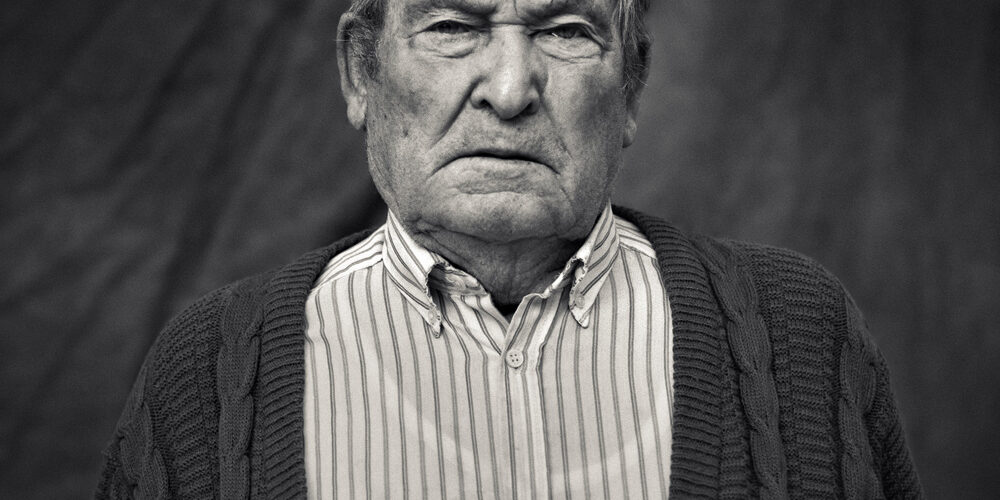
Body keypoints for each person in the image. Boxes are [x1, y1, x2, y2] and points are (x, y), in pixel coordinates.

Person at [97, 0, 923, 497]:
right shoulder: (211, 374)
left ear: (631, 85)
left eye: (565, 30)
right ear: (361, 72)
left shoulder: (801, 340)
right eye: (455, 25)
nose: (510, 89)